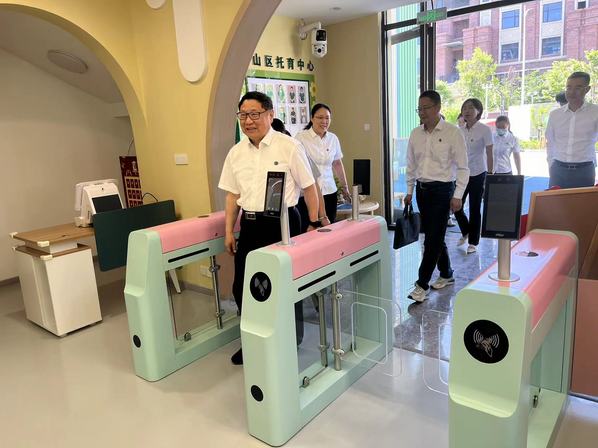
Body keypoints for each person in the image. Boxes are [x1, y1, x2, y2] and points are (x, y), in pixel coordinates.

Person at [218, 91, 320, 365]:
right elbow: (232, 195)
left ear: (270, 115)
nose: (248, 120)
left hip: (284, 224)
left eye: (254, 114)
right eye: (243, 115)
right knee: (243, 287)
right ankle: (252, 342)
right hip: (251, 225)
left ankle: (287, 340)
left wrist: (313, 223)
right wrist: (229, 231)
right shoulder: (236, 153)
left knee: (283, 286)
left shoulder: (288, 146)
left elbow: (310, 187)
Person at [405, 90, 469, 303]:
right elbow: (411, 165)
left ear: (438, 108)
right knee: (435, 235)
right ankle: (447, 273)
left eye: (426, 108)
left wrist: (458, 195)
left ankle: (421, 284)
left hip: (443, 191)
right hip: (422, 191)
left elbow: (463, 167)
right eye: (419, 109)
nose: (422, 112)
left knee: (432, 240)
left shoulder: (453, 132)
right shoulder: (415, 134)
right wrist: (409, 191)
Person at [295, 103, 351, 230]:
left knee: (329, 231)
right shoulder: (301, 138)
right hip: (308, 194)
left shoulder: (333, 139)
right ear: (312, 118)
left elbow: (337, 164)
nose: (324, 121)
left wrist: (345, 187)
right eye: (320, 117)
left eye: (327, 118)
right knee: (308, 231)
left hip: (329, 191)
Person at [453, 98, 493, 254]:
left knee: (475, 208)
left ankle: (473, 242)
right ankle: (466, 231)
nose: (467, 111)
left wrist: (490, 174)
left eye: (470, 108)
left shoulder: (485, 130)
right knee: (456, 205)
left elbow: (489, 153)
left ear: (478, 111)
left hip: (478, 173)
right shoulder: (459, 130)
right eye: (464, 108)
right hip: (461, 173)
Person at [545, 71, 598, 189]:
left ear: (587, 89)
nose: (572, 92)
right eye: (568, 87)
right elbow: (550, 142)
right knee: (555, 201)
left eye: (578, 88)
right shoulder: (555, 115)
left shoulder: (595, 112)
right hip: (558, 170)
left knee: (582, 202)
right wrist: (551, 165)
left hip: (584, 171)